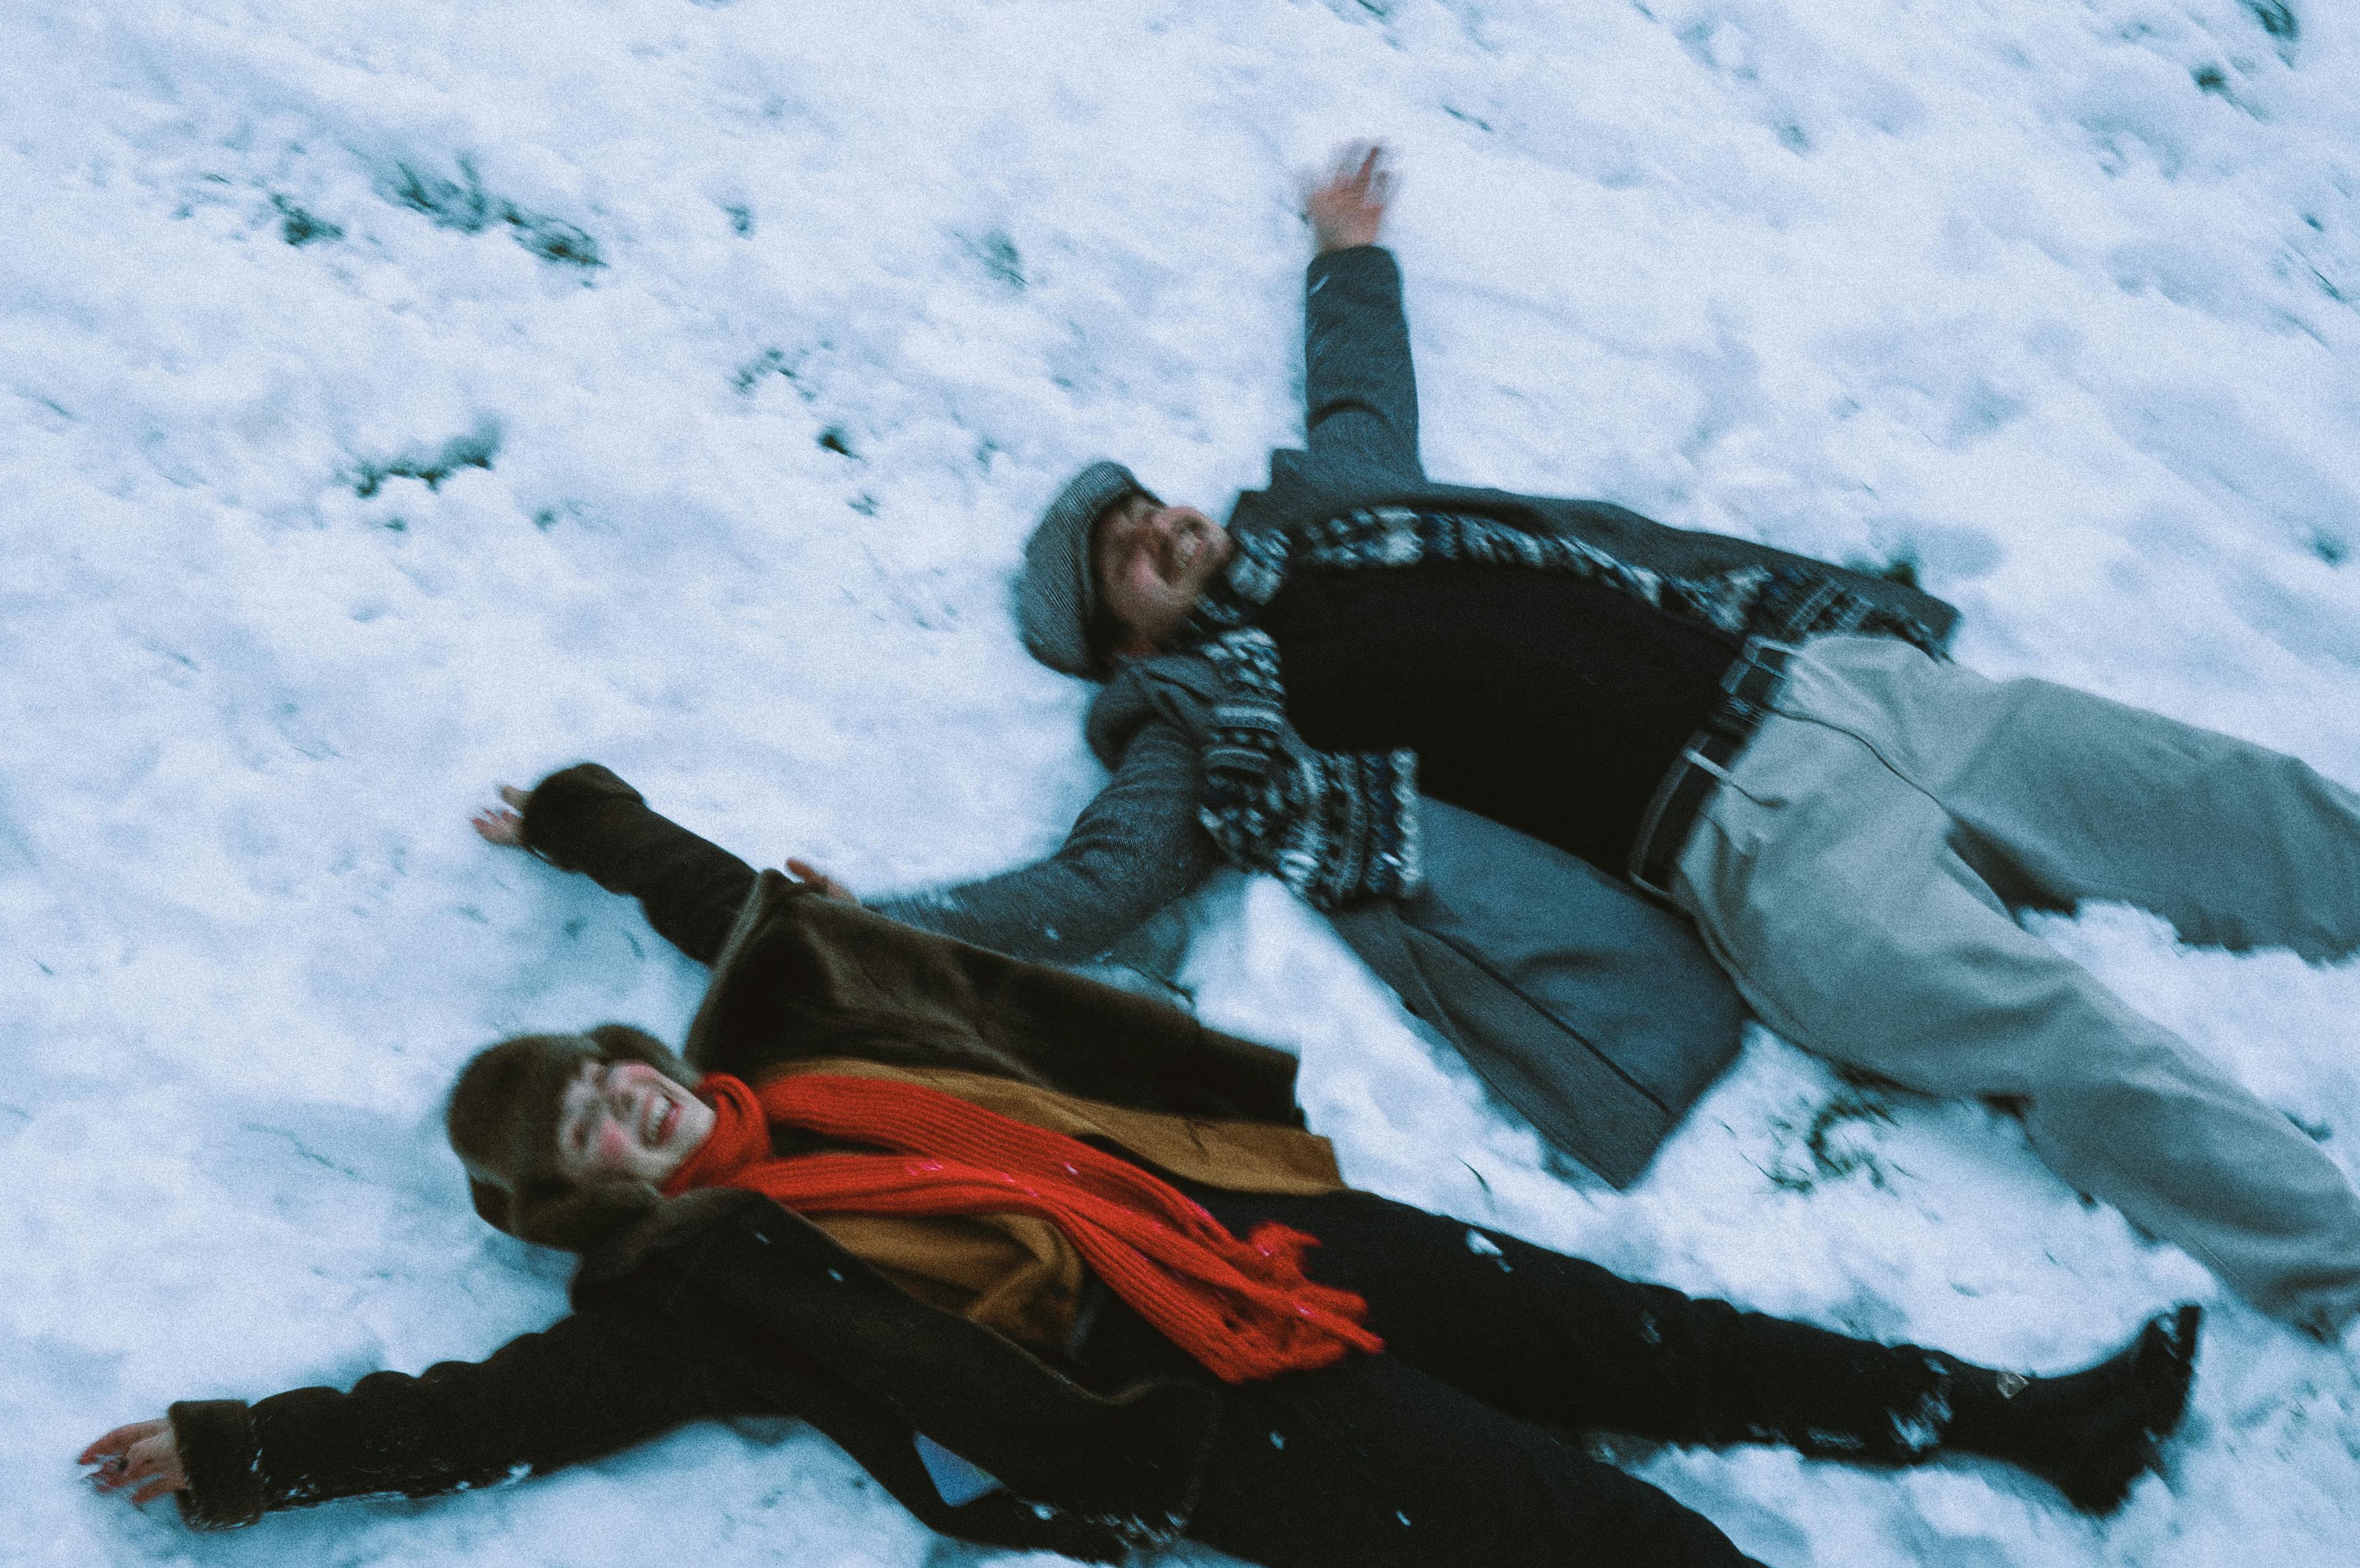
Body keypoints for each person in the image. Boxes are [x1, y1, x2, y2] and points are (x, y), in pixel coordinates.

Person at [83, 804, 2191, 1568]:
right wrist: (261, 1453)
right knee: (1599, 1533)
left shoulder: (793, 1044)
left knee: (1661, 1344)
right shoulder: (697, 1296)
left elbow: (739, 907)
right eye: (590, 1143)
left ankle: (2027, 1419)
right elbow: (496, 1409)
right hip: (1213, 1420)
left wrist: (588, 818)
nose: (624, 1109)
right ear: (591, 1205)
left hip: (1267, 1246)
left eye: (600, 1076)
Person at [819, 142, 2360, 1339]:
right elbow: (1089, 889)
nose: (1156, 525)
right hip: (1758, 858)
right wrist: (857, 932)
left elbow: (1356, 394)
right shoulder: (1210, 730)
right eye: (1122, 559)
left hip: (1844, 695)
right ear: (1123, 642)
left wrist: (1343, 250)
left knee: (2243, 803)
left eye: (1142, 504)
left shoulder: (1331, 516)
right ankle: (2335, 1268)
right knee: (2069, 1044)